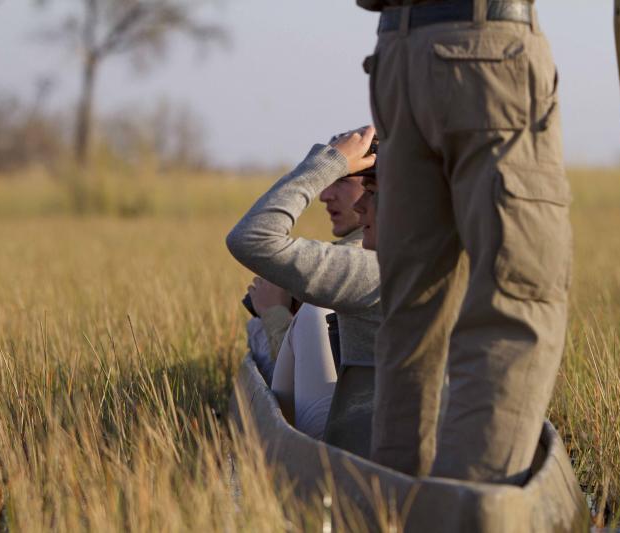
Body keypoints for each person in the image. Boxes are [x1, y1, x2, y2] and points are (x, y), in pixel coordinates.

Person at [359, 0, 573, 484]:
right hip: (489, 53)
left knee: (410, 314)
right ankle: (469, 506)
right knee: (518, 298)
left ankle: (396, 508)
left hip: (397, 54)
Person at [228, 127, 381, 440]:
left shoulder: (374, 270)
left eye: (344, 179)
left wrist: (275, 316)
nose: (326, 195)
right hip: (398, 441)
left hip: (357, 447)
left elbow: (252, 237)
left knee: (312, 315)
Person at [244, 165, 370, 385]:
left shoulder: (359, 258)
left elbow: (312, 378)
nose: (325, 195)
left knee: (263, 327)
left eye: (342, 180)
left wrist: (273, 312)